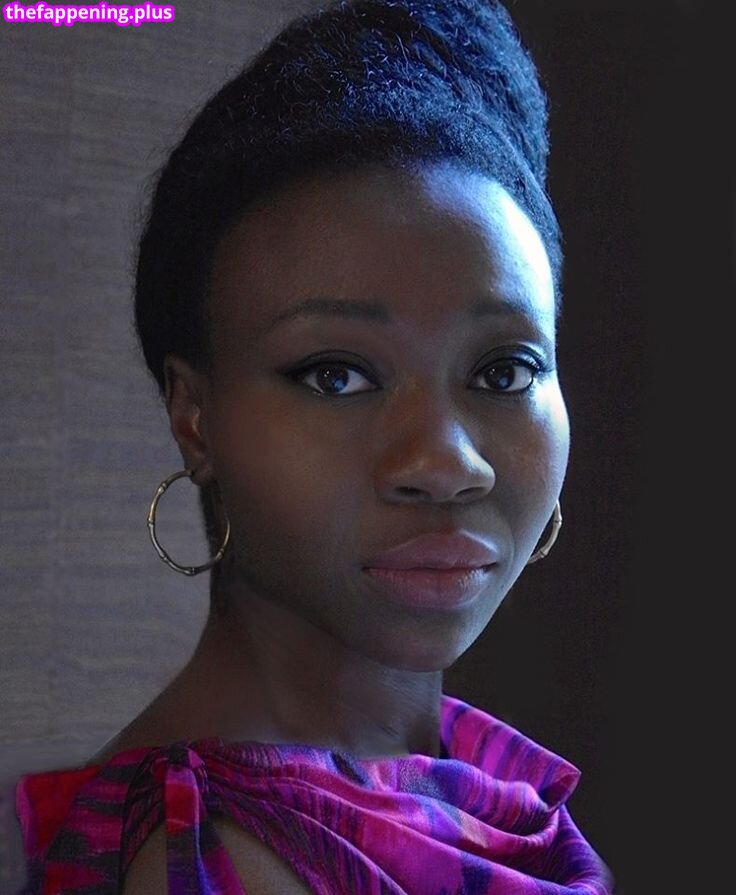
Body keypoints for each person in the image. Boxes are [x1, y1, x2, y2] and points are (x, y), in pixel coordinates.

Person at [14, 0, 615, 892]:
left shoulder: (458, 778)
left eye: (504, 371)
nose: (447, 463)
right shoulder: (204, 858)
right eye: (337, 375)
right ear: (195, 415)